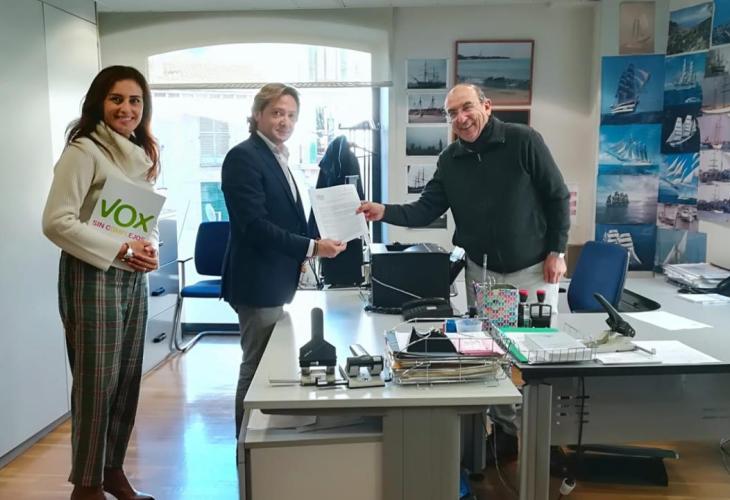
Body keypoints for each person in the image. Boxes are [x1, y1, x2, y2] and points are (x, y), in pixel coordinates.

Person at [357, 83, 570, 464]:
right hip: (483, 274)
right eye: (452, 113)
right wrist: (384, 211)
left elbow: (557, 196)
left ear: (486, 106)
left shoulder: (523, 141)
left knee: (536, 358)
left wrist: (557, 251)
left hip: (534, 270)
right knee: (490, 356)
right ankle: (505, 433)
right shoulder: (450, 159)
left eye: (467, 108)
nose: (461, 118)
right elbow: (425, 209)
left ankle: (547, 441)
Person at [42, 66, 160, 500]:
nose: (126, 109)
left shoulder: (137, 153)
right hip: (93, 276)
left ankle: (112, 471)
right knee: (96, 384)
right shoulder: (84, 150)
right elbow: (56, 222)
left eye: (135, 101)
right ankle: (87, 485)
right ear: (99, 102)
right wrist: (122, 250)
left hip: (131, 278)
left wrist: (149, 248)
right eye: (116, 99)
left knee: (126, 381)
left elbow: (142, 219)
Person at [221, 83, 346, 437]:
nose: (284, 121)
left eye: (291, 115)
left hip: (276, 278)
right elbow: (255, 226)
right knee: (255, 366)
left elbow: (285, 218)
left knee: (266, 362)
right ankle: (245, 446)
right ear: (257, 114)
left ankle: (259, 439)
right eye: (277, 113)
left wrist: (310, 246)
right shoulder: (243, 156)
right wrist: (312, 247)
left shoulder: (277, 156)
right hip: (257, 281)